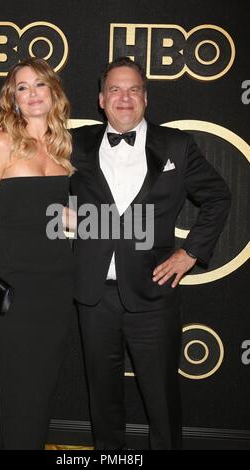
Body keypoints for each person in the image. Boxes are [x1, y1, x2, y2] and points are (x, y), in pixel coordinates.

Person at [70, 56, 231, 449]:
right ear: (101, 100)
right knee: (102, 402)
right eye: (115, 90)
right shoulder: (76, 143)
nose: (124, 97)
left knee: (161, 400)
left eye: (133, 89)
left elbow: (217, 196)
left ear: (145, 97)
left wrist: (190, 252)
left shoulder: (175, 144)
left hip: (153, 295)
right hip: (94, 296)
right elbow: (31, 162)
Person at [0, 57, 75, 450]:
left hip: (60, 282)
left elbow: (69, 220)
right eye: (22, 88)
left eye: (39, 85)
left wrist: (96, 223)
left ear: (52, 92)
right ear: (13, 98)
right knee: (16, 384)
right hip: (15, 281)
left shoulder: (67, 146)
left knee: (43, 385)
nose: (32, 94)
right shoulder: (1, 142)